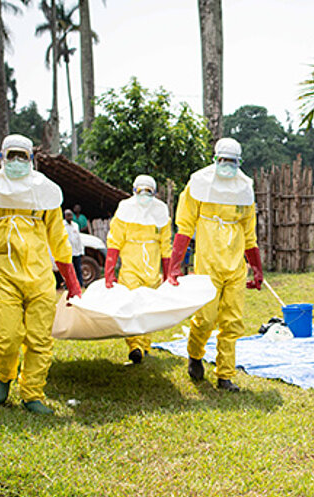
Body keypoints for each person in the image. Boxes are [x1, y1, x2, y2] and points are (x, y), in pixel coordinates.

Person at [0, 134, 81, 414]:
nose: (17, 162)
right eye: (12, 155)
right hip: (4, 274)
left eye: (22, 156)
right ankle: (4, 376)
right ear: (3, 157)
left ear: (31, 159)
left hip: (40, 276)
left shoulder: (46, 193)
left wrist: (73, 283)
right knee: (6, 338)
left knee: (40, 339)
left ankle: (32, 393)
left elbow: (58, 239)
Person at [166, 137, 262, 392]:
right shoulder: (198, 184)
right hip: (208, 264)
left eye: (232, 162)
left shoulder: (244, 189)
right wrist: (175, 266)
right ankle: (195, 355)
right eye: (223, 161)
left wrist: (257, 268)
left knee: (232, 321)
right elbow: (184, 226)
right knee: (205, 319)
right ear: (215, 159)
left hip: (235, 265)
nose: (227, 166)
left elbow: (250, 234)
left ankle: (225, 375)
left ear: (239, 163)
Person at [105, 174, 173, 364]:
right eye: (140, 190)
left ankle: (145, 344)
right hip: (130, 267)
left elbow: (166, 246)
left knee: (148, 308)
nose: (144, 195)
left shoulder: (160, 214)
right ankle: (134, 345)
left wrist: (168, 275)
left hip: (151, 268)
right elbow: (114, 242)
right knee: (131, 306)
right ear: (134, 191)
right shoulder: (125, 211)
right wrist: (109, 272)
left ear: (155, 193)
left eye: (148, 191)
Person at [64, 209, 85, 286]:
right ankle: (68, 285)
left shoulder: (75, 225)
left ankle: (80, 284)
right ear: (65, 216)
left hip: (76, 251)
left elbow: (79, 239)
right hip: (68, 252)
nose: (70, 217)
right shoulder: (62, 225)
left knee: (78, 269)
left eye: (71, 215)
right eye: (68, 215)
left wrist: (81, 251)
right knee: (68, 270)